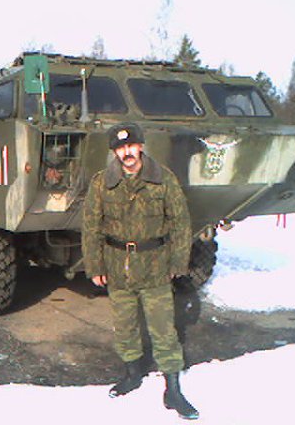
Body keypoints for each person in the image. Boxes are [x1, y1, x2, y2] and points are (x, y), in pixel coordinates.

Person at [81, 122, 199, 420]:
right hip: (118, 266)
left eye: (131, 146)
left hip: (155, 266)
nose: (127, 153)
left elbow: (181, 223)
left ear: (141, 146)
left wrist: (178, 263)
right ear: (114, 152)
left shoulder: (163, 179)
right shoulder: (102, 182)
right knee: (125, 327)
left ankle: (173, 389)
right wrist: (95, 265)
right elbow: (91, 227)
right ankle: (132, 374)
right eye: (120, 148)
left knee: (164, 329)